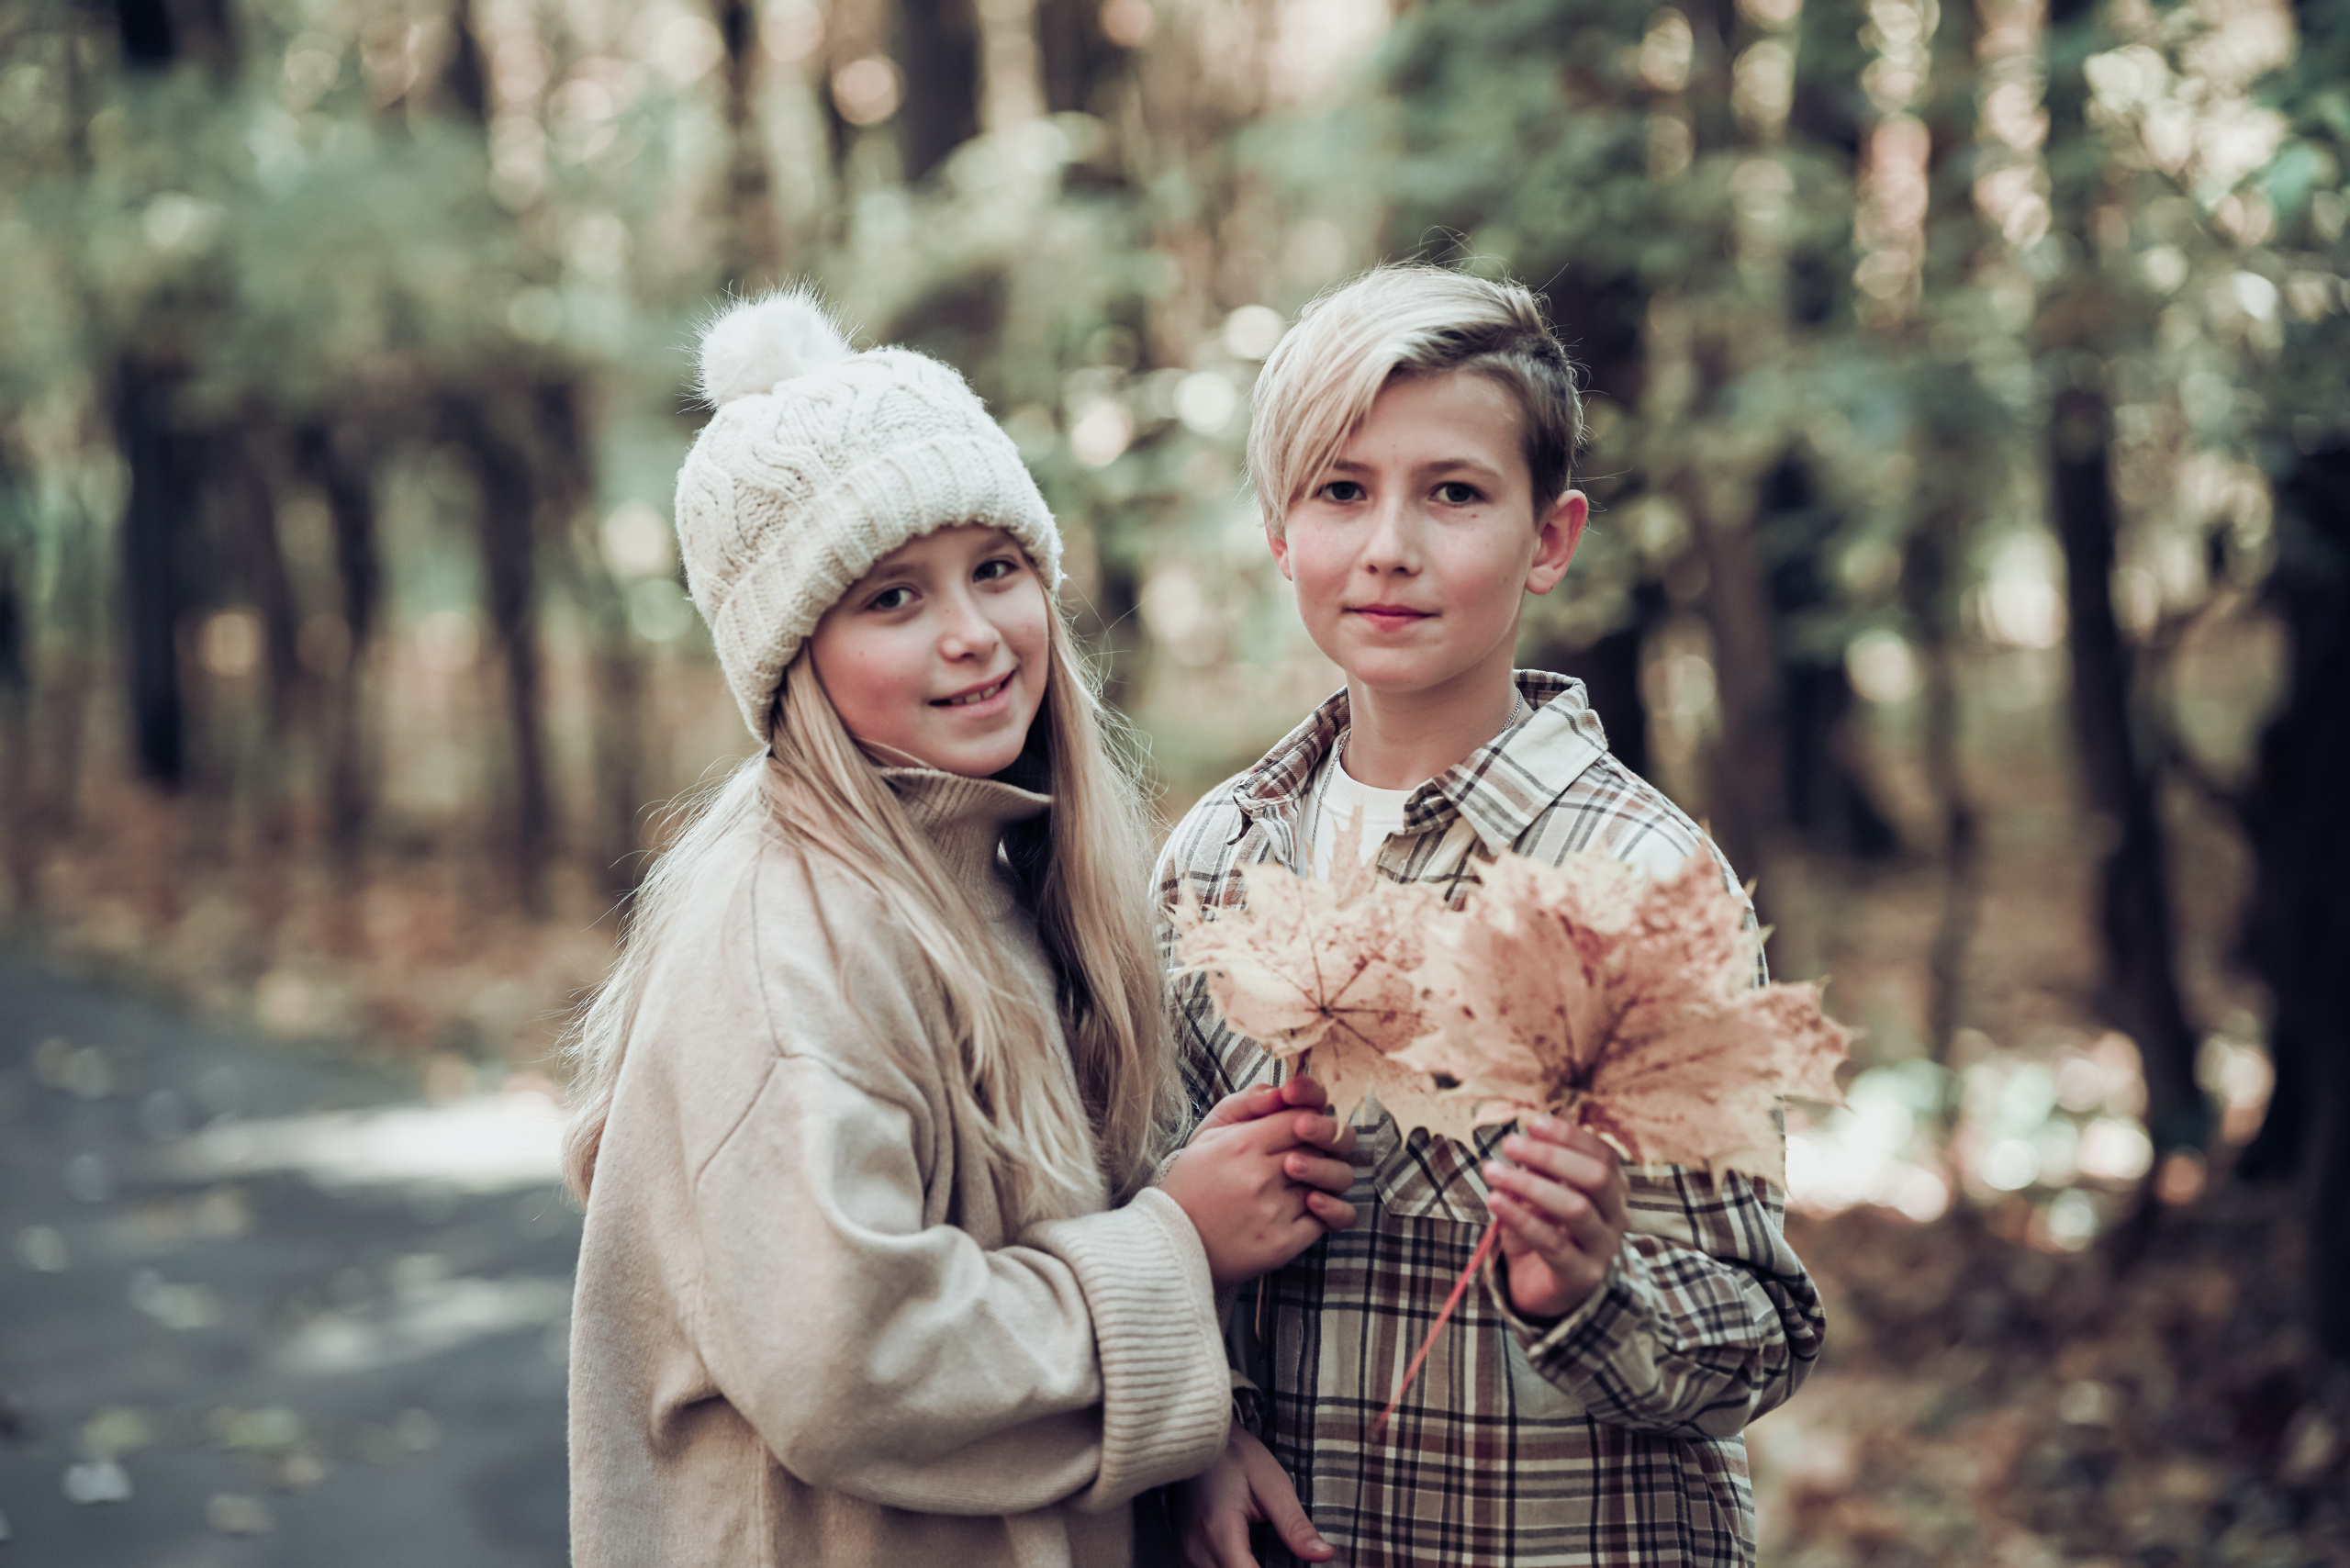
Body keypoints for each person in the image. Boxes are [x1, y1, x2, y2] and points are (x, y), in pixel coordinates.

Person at [561, 287, 1360, 1568]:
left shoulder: (1002, 865)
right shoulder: (791, 938)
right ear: (791, 650)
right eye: (892, 598)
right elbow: (856, 1361)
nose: (974, 634)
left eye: (995, 569)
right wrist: (1177, 1250)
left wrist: (1191, 1431)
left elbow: (1017, 1247)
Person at [1156, 263, 1827, 1568]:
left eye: (1454, 492)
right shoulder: (1217, 862)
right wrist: (1203, 1422)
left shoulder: (1641, 881)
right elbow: (1136, 1207)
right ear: (1282, 533)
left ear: (1551, 539)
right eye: (1343, 490)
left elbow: (1764, 1333)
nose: (1391, 544)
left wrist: (1592, 1289)